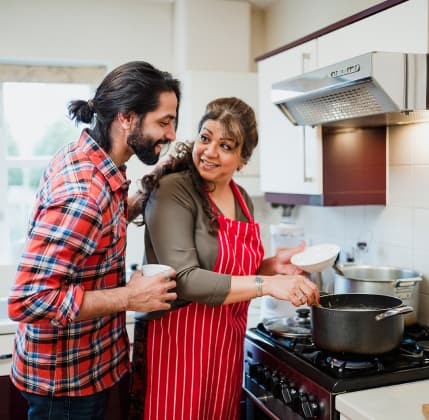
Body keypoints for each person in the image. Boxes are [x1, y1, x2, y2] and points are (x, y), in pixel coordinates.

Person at [7, 61, 181, 420]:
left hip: (81, 371)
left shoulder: (92, 162)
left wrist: (150, 185)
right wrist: (130, 297)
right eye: (164, 122)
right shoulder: (84, 194)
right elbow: (29, 299)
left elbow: (98, 229)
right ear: (127, 118)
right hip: (65, 386)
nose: (172, 134)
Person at [129, 97, 320, 420]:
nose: (210, 151)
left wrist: (273, 266)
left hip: (225, 347)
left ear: (243, 160)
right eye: (205, 138)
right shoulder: (174, 190)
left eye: (226, 145)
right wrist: (269, 283)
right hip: (177, 349)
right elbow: (186, 279)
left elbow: (235, 271)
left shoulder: (241, 197)